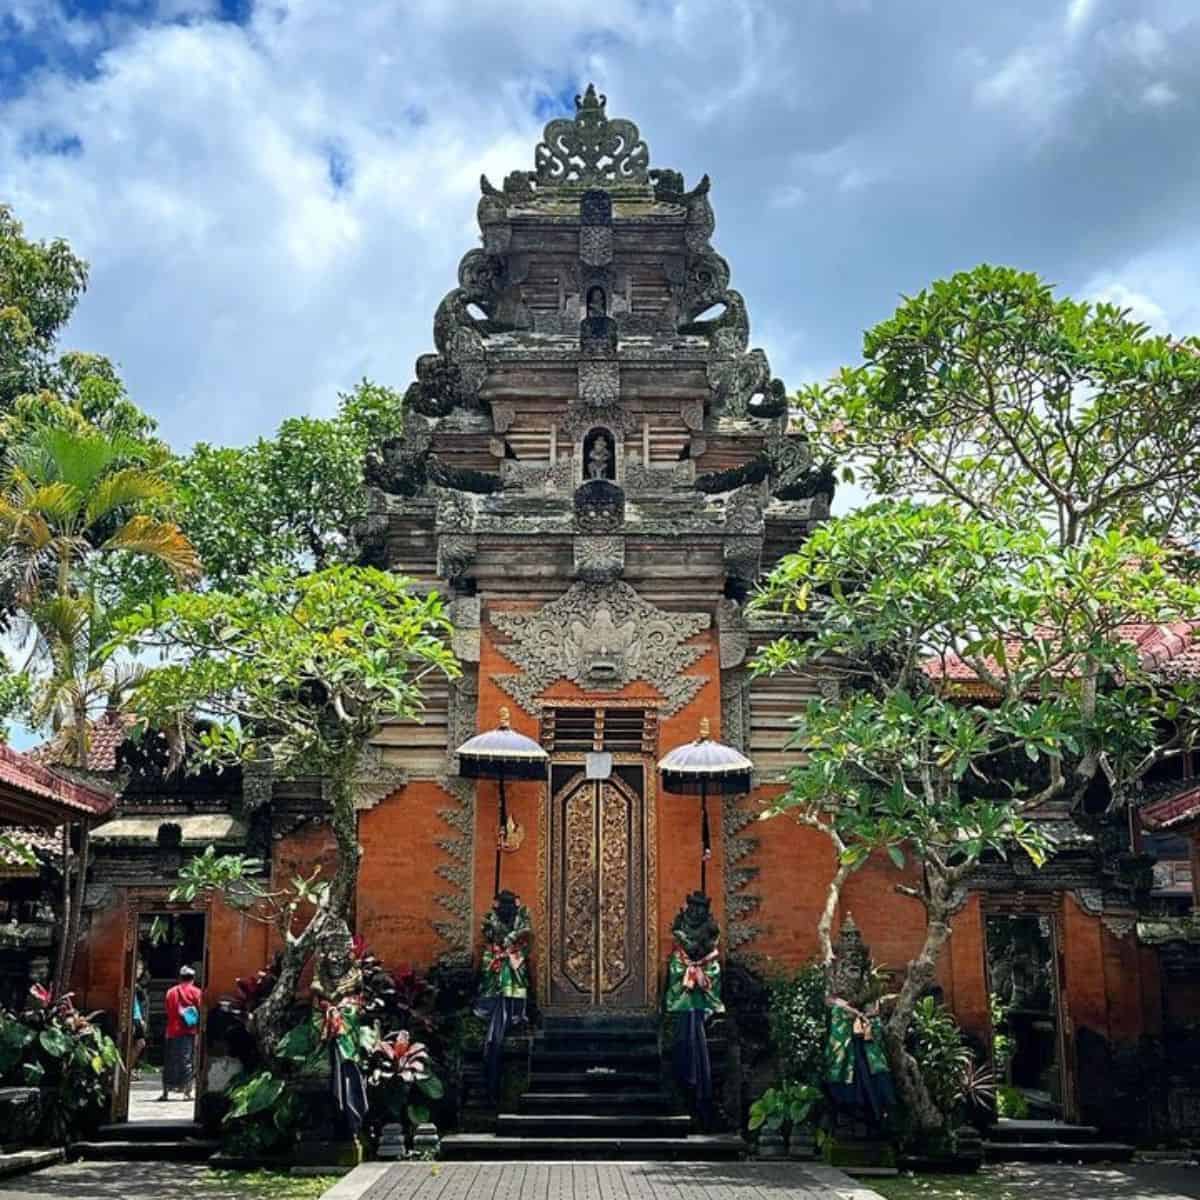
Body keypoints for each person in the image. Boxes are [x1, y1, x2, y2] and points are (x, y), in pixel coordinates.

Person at [160, 964, 202, 1101]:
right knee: (187, 1060)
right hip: (188, 1032)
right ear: (193, 978)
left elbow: (167, 1009)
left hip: (171, 1031)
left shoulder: (171, 992)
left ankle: (166, 1091)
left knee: (169, 1061)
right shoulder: (196, 992)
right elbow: (201, 1011)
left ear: (180, 978)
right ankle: (187, 1092)